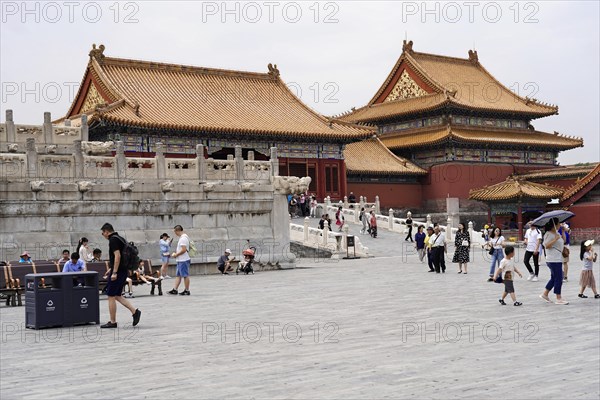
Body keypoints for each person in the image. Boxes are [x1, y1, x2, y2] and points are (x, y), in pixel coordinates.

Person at [99, 222, 141, 328]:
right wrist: (111, 268)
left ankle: (113, 322)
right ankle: (135, 312)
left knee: (111, 296)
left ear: (107, 232)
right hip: (122, 270)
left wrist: (114, 272)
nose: (103, 235)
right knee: (117, 295)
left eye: (103, 233)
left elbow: (117, 256)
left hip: (118, 272)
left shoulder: (113, 240)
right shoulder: (120, 238)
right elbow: (120, 257)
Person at [539, 218, 568, 305]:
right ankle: (558, 297)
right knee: (559, 277)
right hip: (553, 259)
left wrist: (562, 232)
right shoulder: (548, 234)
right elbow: (546, 245)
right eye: (558, 223)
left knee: (554, 277)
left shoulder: (557, 233)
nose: (560, 225)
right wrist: (555, 239)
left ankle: (545, 294)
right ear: (554, 225)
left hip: (558, 258)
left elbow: (564, 241)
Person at [168, 225, 191, 296]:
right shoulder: (183, 237)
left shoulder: (183, 238)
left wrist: (176, 254)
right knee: (178, 275)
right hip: (180, 259)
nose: (175, 233)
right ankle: (175, 289)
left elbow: (183, 250)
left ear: (177, 231)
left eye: (175, 232)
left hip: (183, 260)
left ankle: (187, 290)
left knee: (185, 275)